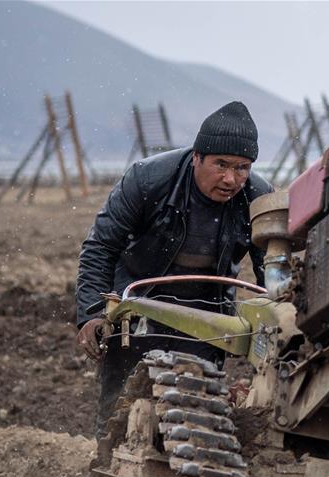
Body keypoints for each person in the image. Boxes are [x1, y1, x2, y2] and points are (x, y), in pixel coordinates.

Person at [75, 101, 271, 439]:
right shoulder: (149, 179)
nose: (230, 178)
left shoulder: (259, 199)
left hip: (208, 315)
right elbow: (101, 246)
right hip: (140, 302)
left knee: (197, 417)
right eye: (220, 164)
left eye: (242, 168)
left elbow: (272, 268)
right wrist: (92, 313)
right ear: (197, 156)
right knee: (119, 415)